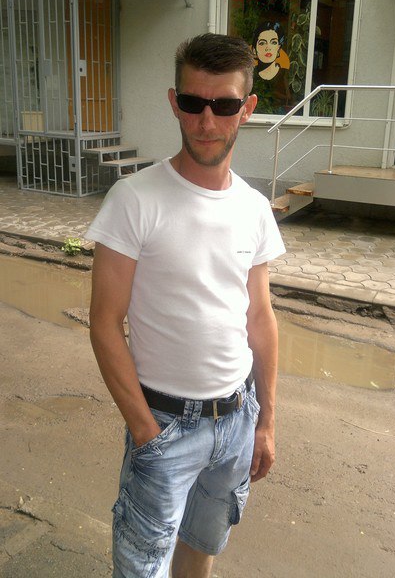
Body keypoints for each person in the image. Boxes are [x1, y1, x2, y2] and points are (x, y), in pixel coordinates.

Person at [85, 32, 285, 578]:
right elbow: (104, 323)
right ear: (175, 102)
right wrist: (144, 430)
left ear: (247, 108)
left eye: (224, 105)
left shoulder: (253, 208)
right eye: (194, 103)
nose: (206, 121)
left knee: (201, 550)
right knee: (142, 568)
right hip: (163, 424)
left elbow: (259, 317)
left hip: (237, 420)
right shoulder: (134, 199)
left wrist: (266, 421)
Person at [252, 21, 291, 114]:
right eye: (262, 43)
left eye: (273, 42)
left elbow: (288, 96)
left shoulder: (282, 73)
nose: (268, 48)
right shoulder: (252, 75)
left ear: (279, 49)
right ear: (254, 50)